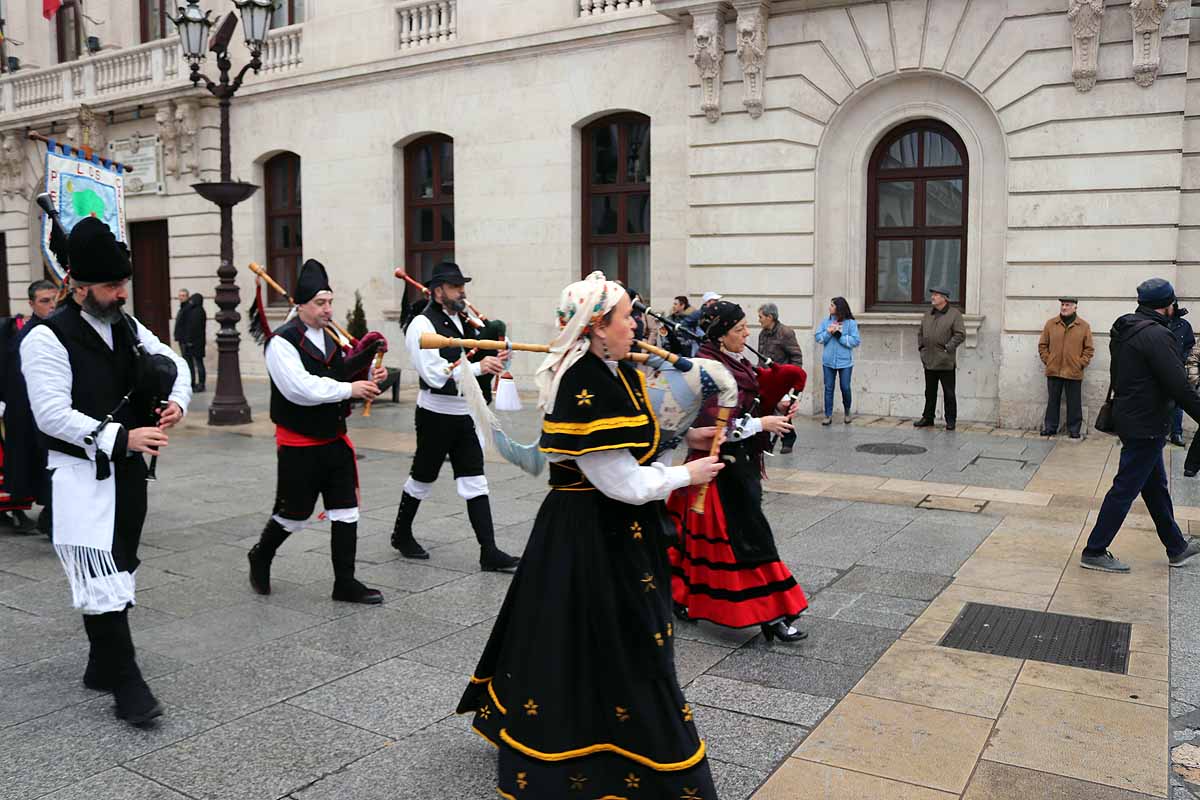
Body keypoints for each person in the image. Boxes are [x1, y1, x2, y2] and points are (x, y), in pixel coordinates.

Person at [458, 271, 722, 799]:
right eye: (627, 316)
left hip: (611, 530)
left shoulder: (613, 370)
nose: (637, 324)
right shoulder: (585, 380)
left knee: (580, 641)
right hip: (593, 536)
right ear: (598, 327)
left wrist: (680, 437)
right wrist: (684, 475)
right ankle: (629, 761)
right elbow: (620, 481)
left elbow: (630, 449)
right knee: (620, 645)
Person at [21, 217, 191, 725]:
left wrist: (175, 404)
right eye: (112, 286)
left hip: (128, 474)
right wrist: (122, 436)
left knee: (123, 562)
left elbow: (173, 363)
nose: (121, 295)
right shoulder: (46, 338)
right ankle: (127, 683)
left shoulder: (128, 325)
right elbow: (51, 413)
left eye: (123, 285)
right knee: (101, 573)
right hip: (76, 475)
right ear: (78, 284)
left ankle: (100, 663)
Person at [246, 259, 388, 605]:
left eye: (330, 302)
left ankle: (345, 583)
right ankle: (261, 554)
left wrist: (369, 377)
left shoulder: (330, 338)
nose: (328, 309)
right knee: (293, 514)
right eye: (320, 303)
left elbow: (340, 372)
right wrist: (349, 390)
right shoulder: (282, 342)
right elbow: (301, 389)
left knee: (346, 510)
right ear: (300, 305)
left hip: (334, 439)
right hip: (299, 444)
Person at [668, 301, 809, 641]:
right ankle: (771, 614)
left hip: (738, 466)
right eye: (739, 329)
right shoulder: (703, 367)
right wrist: (763, 422)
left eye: (747, 327)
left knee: (708, 546)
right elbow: (712, 426)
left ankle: (682, 600)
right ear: (719, 336)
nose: (748, 334)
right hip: (715, 472)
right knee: (743, 543)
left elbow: (750, 398)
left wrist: (778, 405)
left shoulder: (734, 359)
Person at [394, 261, 520, 571]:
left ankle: (488, 551)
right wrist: (479, 367)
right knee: (423, 477)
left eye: (462, 285)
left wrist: (501, 355)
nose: (462, 291)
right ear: (438, 292)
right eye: (454, 286)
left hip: (465, 414)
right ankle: (400, 533)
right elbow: (435, 374)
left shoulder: (468, 320)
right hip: (435, 414)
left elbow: (486, 351)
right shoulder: (421, 326)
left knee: (475, 479)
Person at [1080, 278, 1200, 572]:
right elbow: (1178, 385)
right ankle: (1094, 550)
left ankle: (1177, 547)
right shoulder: (1156, 336)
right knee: (1125, 488)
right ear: (1168, 305)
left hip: (1133, 416)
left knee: (1155, 486)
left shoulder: (1127, 327)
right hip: (1146, 422)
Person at [1, 280, 59, 534]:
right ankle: (19, 509)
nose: (51, 305)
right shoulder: (23, 335)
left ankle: (51, 513)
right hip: (24, 408)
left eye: (54, 299)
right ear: (32, 304)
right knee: (24, 460)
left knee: (51, 463)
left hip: (50, 407)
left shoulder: (61, 328)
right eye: (45, 301)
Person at [1038, 297, 1094, 439]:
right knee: (1052, 401)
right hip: (1054, 370)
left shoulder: (1083, 326)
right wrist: (1048, 360)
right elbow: (1042, 345)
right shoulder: (1051, 324)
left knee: (1074, 402)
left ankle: (1074, 429)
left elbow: (1089, 349)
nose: (1064, 307)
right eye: (1062, 305)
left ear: (1075, 307)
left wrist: (1081, 363)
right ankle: (1050, 427)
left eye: (1067, 305)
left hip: (1074, 371)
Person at [915, 287, 966, 431]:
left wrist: (948, 348)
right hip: (929, 360)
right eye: (933, 295)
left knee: (949, 393)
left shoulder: (954, 315)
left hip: (945, 361)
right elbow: (920, 333)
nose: (933, 297)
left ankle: (950, 420)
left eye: (936, 295)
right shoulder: (928, 314)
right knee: (929, 392)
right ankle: (928, 417)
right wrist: (922, 348)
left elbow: (960, 334)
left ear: (945, 298)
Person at [757, 302, 804, 451]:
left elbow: (796, 357)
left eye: (761, 317)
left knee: (783, 410)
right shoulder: (762, 334)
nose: (759, 320)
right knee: (764, 410)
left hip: (781, 378)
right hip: (765, 377)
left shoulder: (786, 333)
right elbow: (761, 357)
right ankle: (765, 442)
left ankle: (788, 438)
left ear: (770, 317)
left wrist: (792, 378)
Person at [814, 297, 860, 427]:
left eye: (832, 305)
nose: (830, 307)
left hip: (845, 362)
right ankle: (828, 415)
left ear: (839, 308)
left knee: (845, 387)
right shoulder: (825, 322)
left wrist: (840, 336)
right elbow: (818, 338)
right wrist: (828, 333)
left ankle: (847, 411)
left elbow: (855, 341)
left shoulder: (851, 323)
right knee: (829, 388)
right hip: (828, 362)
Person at [1170, 302, 1195, 446]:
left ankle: (1176, 433)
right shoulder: (1158, 323)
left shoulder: (1184, 325)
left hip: (1179, 367)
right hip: (1161, 367)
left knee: (1178, 403)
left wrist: (1182, 358)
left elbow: (1190, 346)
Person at [174, 290, 207, 393]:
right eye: (180, 295)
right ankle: (195, 383)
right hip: (191, 341)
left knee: (195, 363)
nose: (182, 297)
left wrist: (188, 340)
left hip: (193, 342)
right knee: (192, 363)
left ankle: (199, 384)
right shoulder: (187, 309)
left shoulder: (195, 310)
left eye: (184, 296)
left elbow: (193, 327)